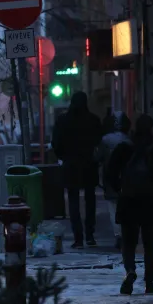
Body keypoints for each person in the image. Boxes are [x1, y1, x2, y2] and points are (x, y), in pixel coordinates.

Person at [105, 113, 153, 295]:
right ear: (152, 127)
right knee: (150, 244)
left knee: (128, 242)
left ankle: (130, 271)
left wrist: (120, 189)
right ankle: (149, 283)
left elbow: (110, 172)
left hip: (128, 201)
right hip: (151, 203)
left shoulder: (124, 148)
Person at [51, 91, 103, 248]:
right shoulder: (93, 120)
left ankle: (78, 237)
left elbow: (56, 143)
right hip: (88, 164)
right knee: (90, 200)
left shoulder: (63, 120)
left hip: (71, 164)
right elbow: (99, 141)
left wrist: (63, 156)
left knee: (73, 201)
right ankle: (90, 235)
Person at [96, 112, 132, 249]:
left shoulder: (105, 140)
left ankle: (118, 234)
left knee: (112, 206)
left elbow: (97, 157)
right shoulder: (130, 140)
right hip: (127, 176)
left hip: (110, 174)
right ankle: (127, 232)